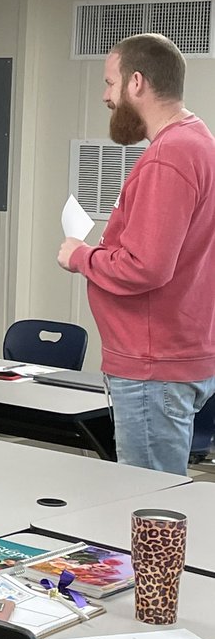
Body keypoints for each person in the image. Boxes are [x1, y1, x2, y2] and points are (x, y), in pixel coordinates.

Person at [58, 32, 215, 475]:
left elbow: (147, 266)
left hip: (154, 363)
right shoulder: (197, 141)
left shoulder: (170, 156)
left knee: (150, 506)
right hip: (172, 354)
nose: (106, 97)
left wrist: (80, 257)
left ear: (137, 83)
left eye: (110, 84)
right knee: (157, 501)